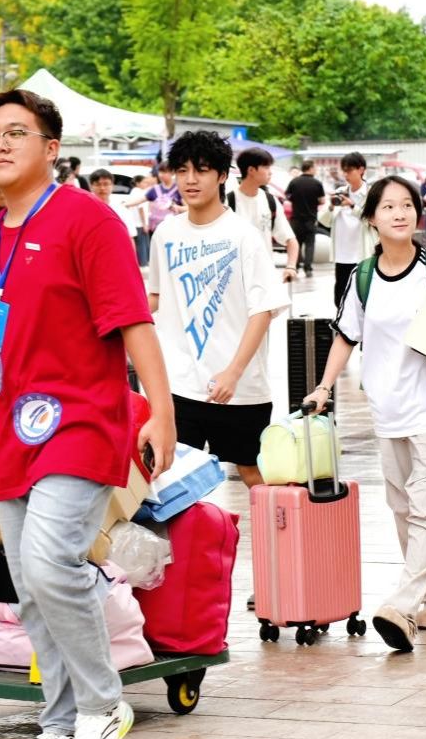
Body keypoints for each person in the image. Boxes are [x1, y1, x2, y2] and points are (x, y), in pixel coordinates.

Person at [0, 89, 176, 739]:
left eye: (15, 132)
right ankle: (58, 724)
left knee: (51, 565)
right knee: (29, 583)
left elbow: (133, 321)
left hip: (82, 421)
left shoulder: (90, 220)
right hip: (11, 430)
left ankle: (103, 708)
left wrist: (162, 411)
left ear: (51, 148)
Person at [303, 174, 426, 652]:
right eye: (388, 206)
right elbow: (346, 337)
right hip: (386, 414)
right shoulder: (363, 278)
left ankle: (402, 606)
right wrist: (324, 387)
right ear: (371, 217)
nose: (400, 213)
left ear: (418, 213)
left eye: (407, 205)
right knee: (405, 513)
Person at [149, 131, 291, 492]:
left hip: (239, 389)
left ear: (222, 175)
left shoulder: (243, 236)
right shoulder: (165, 234)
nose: (190, 179)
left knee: (253, 475)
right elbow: (155, 297)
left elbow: (264, 310)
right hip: (180, 385)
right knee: (172, 483)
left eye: (201, 170)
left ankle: (276, 534)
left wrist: (233, 372)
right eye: (182, 170)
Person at [230, 148, 300, 283]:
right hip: (234, 278)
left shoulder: (270, 201)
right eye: (266, 167)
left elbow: (291, 240)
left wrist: (291, 267)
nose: (270, 172)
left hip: (264, 276)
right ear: (251, 170)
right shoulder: (228, 202)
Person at [319, 152, 377, 308]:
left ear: (361, 170)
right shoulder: (340, 192)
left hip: (362, 253)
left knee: (363, 295)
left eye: (349, 170)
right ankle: (342, 322)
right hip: (342, 254)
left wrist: (352, 206)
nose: (345, 175)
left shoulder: (371, 193)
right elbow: (323, 221)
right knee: (340, 297)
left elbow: (372, 221)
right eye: (344, 171)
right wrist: (331, 206)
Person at [285, 159, 325, 275]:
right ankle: (308, 268)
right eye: (315, 168)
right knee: (310, 245)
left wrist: (295, 199)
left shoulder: (294, 182)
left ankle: (296, 265)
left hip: (296, 219)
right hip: (310, 219)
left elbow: (287, 196)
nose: (316, 170)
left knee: (296, 243)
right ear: (310, 168)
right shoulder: (317, 183)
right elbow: (322, 201)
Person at [91, 168, 142, 247]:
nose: (102, 188)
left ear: (112, 186)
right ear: (91, 186)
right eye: (98, 184)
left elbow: (130, 237)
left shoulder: (122, 210)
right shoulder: (84, 210)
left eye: (106, 184)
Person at [144, 162, 182, 233]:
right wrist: (124, 205)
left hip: (173, 228)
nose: (161, 175)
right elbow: (141, 199)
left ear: (172, 173)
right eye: (160, 172)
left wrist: (175, 207)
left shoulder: (179, 188)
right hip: (157, 228)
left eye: (164, 172)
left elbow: (189, 208)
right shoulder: (155, 189)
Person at [125, 174, 153, 266]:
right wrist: (144, 224)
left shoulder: (133, 192)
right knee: (142, 244)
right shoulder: (139, 192)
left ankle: (141, 262)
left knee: (140, 244)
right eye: (144, 182)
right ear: (137, 183)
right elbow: (141, 209)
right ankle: (143, 263)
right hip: (140, 223)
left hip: (135, 222)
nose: (146, 184)